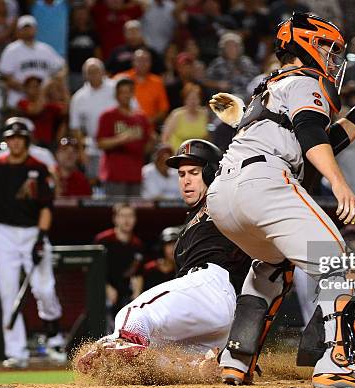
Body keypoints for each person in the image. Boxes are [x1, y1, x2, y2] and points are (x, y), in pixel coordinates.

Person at [206, 13, 355, 388]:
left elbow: (328, 138)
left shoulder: (271, 87)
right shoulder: (305, 80)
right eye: (328, 47)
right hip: (265, 182)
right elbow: (311, 134)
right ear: (305, 44)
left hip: (224, 193)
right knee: (341, 266)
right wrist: (339, 183)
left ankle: (235, 362)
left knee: (271, 268)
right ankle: (336, 364)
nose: (332, 57)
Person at [77, 139, 250, 373]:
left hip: (212, 284)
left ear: (211, 173)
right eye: (181, 174)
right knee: (155, 352)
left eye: (194, 173)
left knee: (133, 315)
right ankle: (194, 368)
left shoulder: (224, 200)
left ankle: (118, 342)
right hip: (218, 318)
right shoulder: (190, 225)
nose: (185, 180)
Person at [0, 117, 65, 368]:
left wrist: (41, 239)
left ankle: (54, 336)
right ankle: (16, 352)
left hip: (33, 230)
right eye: (12, 138)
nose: (16, 143)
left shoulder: (39, 167)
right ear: (6, 141)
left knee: (44, 288)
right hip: (4, 233)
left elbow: (46, 207)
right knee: (8, 292)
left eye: (20, 139)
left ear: (26, 141)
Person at [97, 78, 153, 197]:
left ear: (133, 94)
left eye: (129, 92)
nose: (126, 95)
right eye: (122, 92)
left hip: (136, 174)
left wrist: (152, 141)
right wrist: (121, 139)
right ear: (116, 95)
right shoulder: (108, 116)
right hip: (114, 176)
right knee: (117, 211)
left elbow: (147, 147)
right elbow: (100, 143)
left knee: (134, 212)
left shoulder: (141, 117)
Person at [94, 203, 145, 331]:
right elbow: (94, 270)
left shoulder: (137, 244)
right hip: (102, 290)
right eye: (122, 216)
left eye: (130, 216)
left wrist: (137, 296)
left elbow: (138, 273)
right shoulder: (103, 240)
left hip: (125, 293)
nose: (126, 220)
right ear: (115, 219)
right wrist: (106, 288)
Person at [0, 15, 66, 107]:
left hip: (43, 101)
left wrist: (52, 82)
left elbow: (62, 67)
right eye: (24, 28)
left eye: (30, 28)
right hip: (19, 100)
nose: (28, 31)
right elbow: (5, 76)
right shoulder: (11, 50)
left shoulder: (45, 49)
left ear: (35, 29)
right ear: (18, 30)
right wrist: (27, 90)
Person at [69, 58, 117, 182]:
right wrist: (81, 151)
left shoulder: (116, 88)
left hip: (118, 145)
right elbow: (75, 127)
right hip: (93, 148)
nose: (93, 75)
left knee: (115, 181)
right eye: (89, 72)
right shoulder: (79, 97)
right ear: (84, 75)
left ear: (103, 72)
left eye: (96, 71)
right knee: (94, 184)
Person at [115, 48, 169, 129]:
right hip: (124, 127)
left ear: (151, 63)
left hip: (148, 129)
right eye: (139, 60)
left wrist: (146, 122)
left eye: (146, 60)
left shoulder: (157, 82)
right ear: (133, 62)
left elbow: (163, 110)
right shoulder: (121, 79)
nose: (142, 63)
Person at [205, 32, 259, 100]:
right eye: (229, 46)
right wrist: (218, 84)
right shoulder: (217, 63)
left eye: (235, 46)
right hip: (227, 97)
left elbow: (256, 78)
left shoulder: (246, 62)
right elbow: (207, 81)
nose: (232, 49)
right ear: (223, 49)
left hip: (248, 96)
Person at [16, 76, 66, 149]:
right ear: (26, 89)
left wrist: (62, 86)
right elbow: (36, 110)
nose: (36, 89)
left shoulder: (48, 105)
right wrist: (44, 90)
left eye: (37, 86)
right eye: (32, 86)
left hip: (49, 145)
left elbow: (65, 110)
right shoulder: (22, 103)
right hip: (30, 144)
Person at [161, 83, 209, 152]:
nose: (193, 102)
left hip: (198, 155)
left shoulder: (204, 114)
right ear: (185, 99)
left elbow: (206, 137)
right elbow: (165, 138)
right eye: (190, 99)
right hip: (178, 154)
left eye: (195, 98)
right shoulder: (176, 114)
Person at [142, 225, 179, 290]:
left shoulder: (183, 270)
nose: (173, 248)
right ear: (162, 247)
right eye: (169, 244)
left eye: (175, 244)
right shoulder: (149, 268)